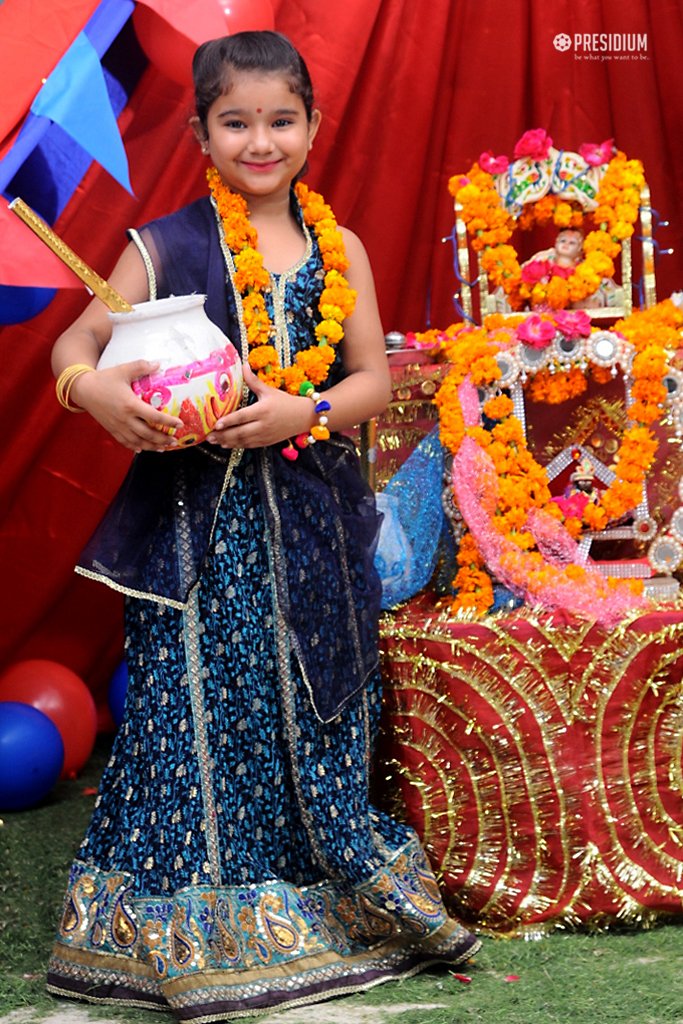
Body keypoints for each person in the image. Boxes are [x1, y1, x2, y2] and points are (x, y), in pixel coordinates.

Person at [46, 31, 480, 1021]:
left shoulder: (341, 249)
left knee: (314, 708)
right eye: (235, 121)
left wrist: (306, 411)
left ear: (312, 127)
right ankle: (202, 918)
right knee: (195, 715)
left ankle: (321, 893)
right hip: (194, 533)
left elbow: (368, 378)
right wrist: (93, 389)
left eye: (279, 119)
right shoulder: (166, 243)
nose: (259, 139)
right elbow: (77, 340)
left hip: (311, 526)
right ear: (201, 131)